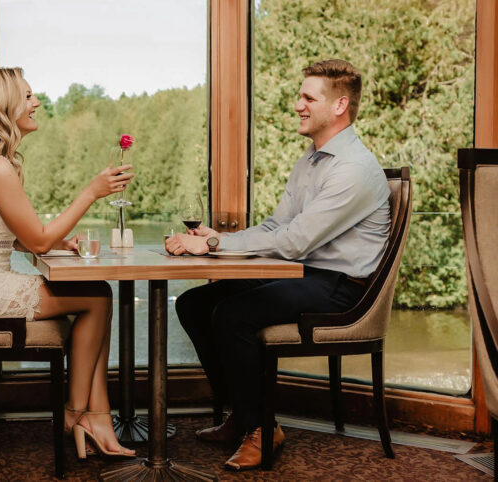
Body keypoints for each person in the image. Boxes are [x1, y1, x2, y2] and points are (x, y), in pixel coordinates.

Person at [166, 59, 390, 470]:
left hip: (342, 286)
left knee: (233, 315)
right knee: (193, 304)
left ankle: (262, 429)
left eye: (308, 97)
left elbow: (295, 241)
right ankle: (245, 415)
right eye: (299, 95)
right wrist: (222, 240)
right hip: (306, 273)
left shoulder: (353, 168)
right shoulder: (312, 159)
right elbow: (277, 226)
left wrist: (214, 243)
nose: (297, 104)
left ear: (340, 105)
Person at [0, 67, 135, 459]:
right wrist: (91, 192)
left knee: (97, 294)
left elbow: (4, 234)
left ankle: (97, 417)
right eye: (28, 96)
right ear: (4, 106)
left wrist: (59, 242)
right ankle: (76, 414)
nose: (37, 103)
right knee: (96, 299)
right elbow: (37, 239)